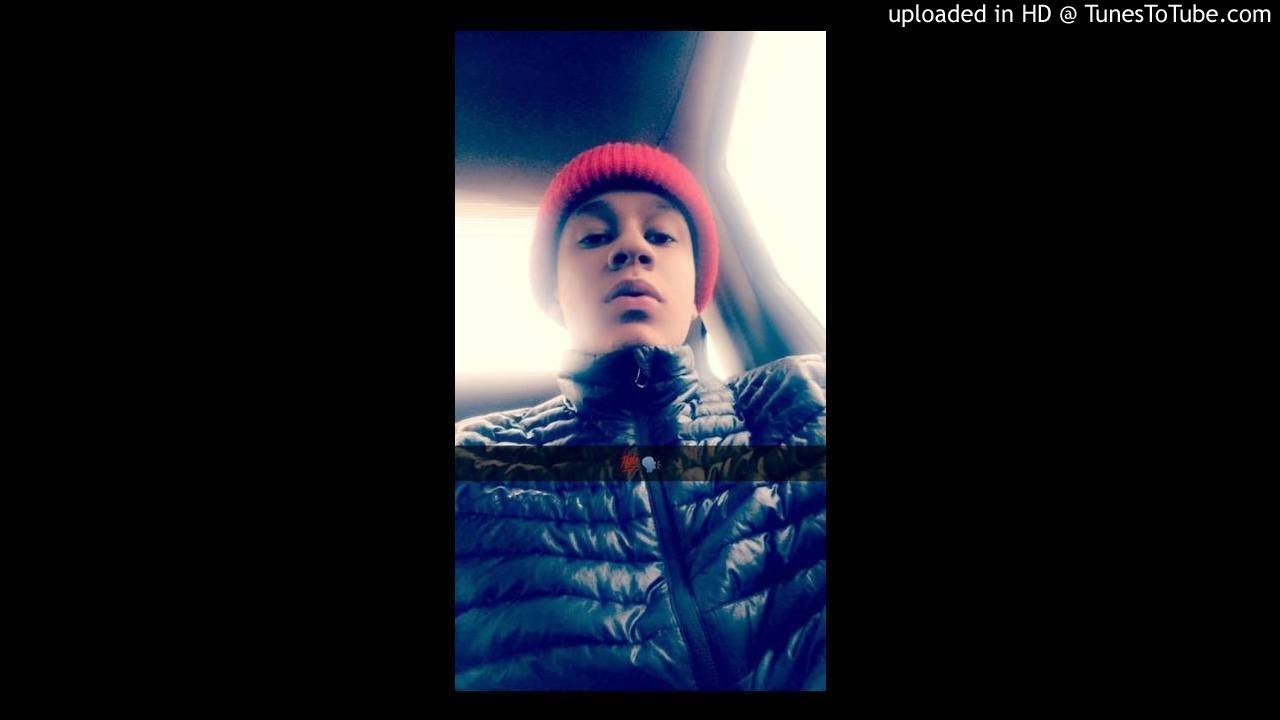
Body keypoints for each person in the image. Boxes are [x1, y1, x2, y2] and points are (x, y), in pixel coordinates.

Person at [454, 141, 826, 690]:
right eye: (594, 237)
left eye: (661, 235)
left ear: (696, 292)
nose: (631, 247)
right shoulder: (475, 461)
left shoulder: (804, 396)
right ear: (553, 294)